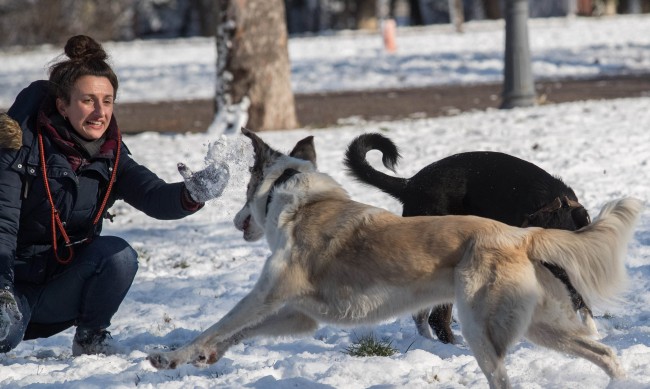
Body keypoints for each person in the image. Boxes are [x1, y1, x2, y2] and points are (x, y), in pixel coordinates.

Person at [0, 35, 228, 355]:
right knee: (3, 337)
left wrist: (192, 193)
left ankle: (92, 336)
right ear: (62, 105)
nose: (99, 112)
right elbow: (3, 226)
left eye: (107, 101)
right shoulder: (17, 148)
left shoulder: (110, 154)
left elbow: (154, 195)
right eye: (87, 100)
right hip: (10, 288)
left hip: (60, 287)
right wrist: (2, 289)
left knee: (118, 256)